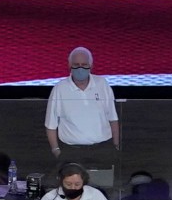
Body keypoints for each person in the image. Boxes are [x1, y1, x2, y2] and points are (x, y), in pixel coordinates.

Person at [43, 46, 120, 182]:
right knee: (73, 191)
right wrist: (56, 151)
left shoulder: (102, 84)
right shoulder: (60, 89)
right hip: (72, 153)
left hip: (102, 150)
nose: (80, 68)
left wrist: (115, 146)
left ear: (91, 65)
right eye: (76, 65)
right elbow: (51, 125)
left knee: (103, 190)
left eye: (84, 65)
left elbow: (113, 118)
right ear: (69, 66)